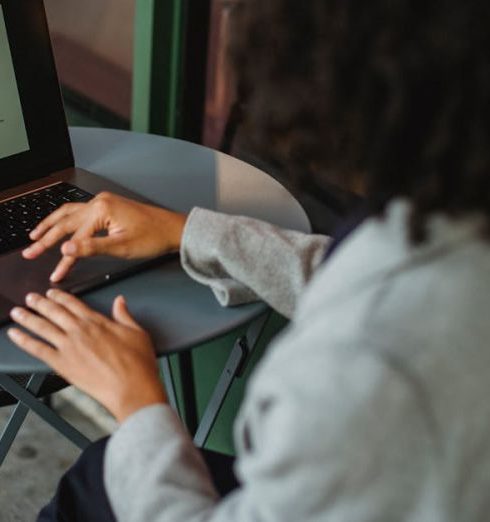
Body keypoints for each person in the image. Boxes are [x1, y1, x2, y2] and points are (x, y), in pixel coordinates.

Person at [8, 0, 490, 520]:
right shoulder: (454, 219)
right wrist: (187, 232)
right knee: (100, 472)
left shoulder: (367, 369)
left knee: (98, 482)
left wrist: (137, 400)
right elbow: (346, 270)